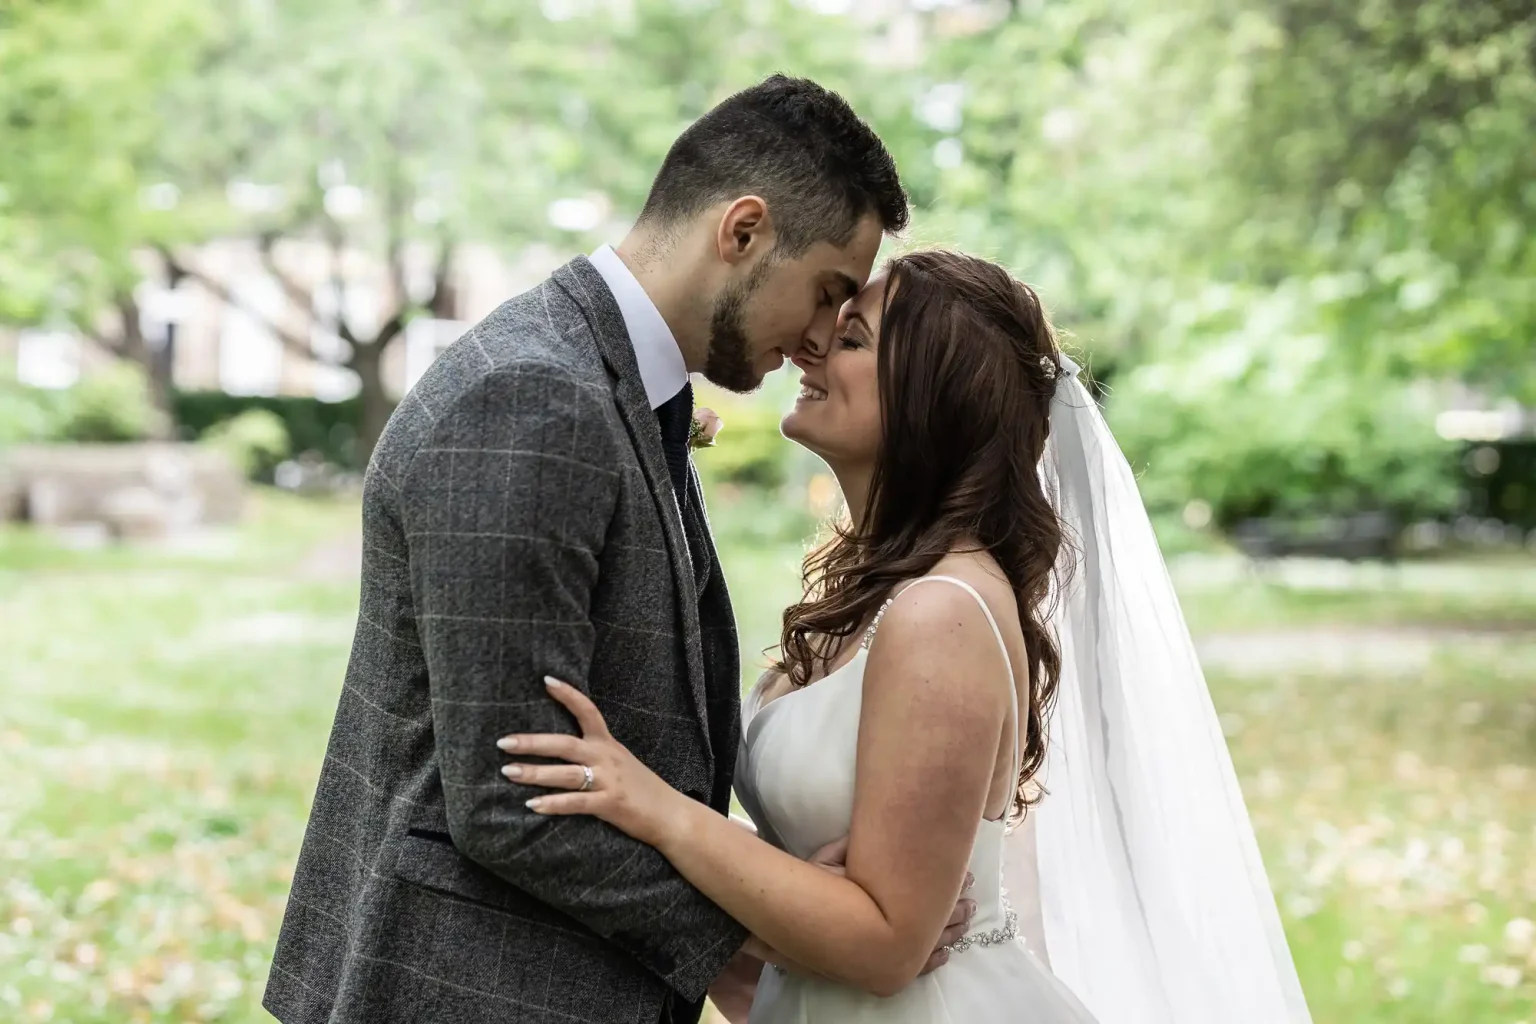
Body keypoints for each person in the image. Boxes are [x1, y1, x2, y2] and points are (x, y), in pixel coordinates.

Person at [262, 76, 975, 1024]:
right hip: (469, 988)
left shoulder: (617, 391)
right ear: (745, 231)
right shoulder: (532, 398)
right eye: (828, 292)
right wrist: (789, 928)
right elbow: (514, 799)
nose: (817, 336)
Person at [502, 251, 1314, 1023]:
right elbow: (829, 895)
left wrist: (660, 811)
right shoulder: (877, 590)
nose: (812, 345)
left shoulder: (941, 612)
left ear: (934, 399)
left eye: (853, 338)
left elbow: (892, 944)